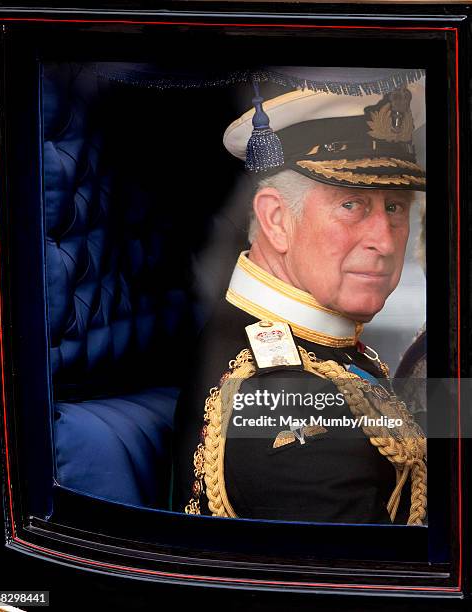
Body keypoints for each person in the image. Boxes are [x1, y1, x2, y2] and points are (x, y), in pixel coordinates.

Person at [172, 76, 427, 525]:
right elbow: (377, 584)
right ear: (276, 219)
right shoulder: (283, 398)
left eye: (395, 207)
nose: (385, 242)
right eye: (352, 205)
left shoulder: (302, 337)